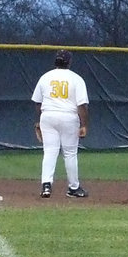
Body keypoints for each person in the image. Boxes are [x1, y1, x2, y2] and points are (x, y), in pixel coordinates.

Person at [31, 49, 90, 198]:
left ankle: (46, 185)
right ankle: (74, 188)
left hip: (48, 116)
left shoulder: (45, 77)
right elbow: (82, 105)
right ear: (69, 62)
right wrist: (84, 125)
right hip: (69, 117)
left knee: (50, 151)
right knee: (70, 153)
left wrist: (39, 121)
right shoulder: (76, 79)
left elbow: (38, 102)